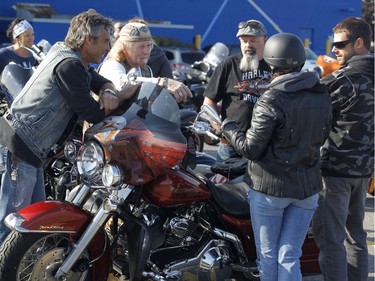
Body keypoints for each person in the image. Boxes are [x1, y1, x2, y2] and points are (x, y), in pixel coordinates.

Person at [0, 9, 139, 244]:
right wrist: (121, 96)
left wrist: (107, 91)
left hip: (30, 148)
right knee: (14, 225)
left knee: (35, 221)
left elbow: (100, 81)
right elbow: (91, 113)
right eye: (105, 41)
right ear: (88, 40)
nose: (108, 47)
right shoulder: (69, 65)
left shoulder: (72, 57)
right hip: (20, 147)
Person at [220, 33, 332, 280]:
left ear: (270, 62)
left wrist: (228, 127)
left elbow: (251, 148)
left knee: (268, 257)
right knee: (290, 255)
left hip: (270, 189)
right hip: (307, 187)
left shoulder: (271, 98)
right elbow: (322, 135)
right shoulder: (321, 93)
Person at [312, 17, 374, 281]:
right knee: (356, 236)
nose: (334, 49)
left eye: (340, 43)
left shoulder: (342, 79)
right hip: (364, 171)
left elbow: (308, 110)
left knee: (331, 239)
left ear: (359, 43)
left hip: (335, 170)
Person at [202, 19, 271, 162]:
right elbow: (209, 101)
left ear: (265, 40)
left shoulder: (275, 66)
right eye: (244, 40)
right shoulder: (228, 65)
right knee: (223, 183)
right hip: (231, 145)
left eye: (253, 40)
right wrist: (219, 130)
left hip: (266, 145)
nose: (248, 45)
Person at [98, 21, 191, 103]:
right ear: (124, 48)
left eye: (149, 46)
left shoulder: (145, 70)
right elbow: (123, 82)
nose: (147, 51)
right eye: (141, 47)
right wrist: (164, 82)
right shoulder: (111, 65)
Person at [0, 19, 36, 184]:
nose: (31, 38)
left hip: (28, 113)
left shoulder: (34, 56)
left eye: (32, 35)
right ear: (17, 37)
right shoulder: (4, 55)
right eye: (27, 35)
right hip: (8, 110)